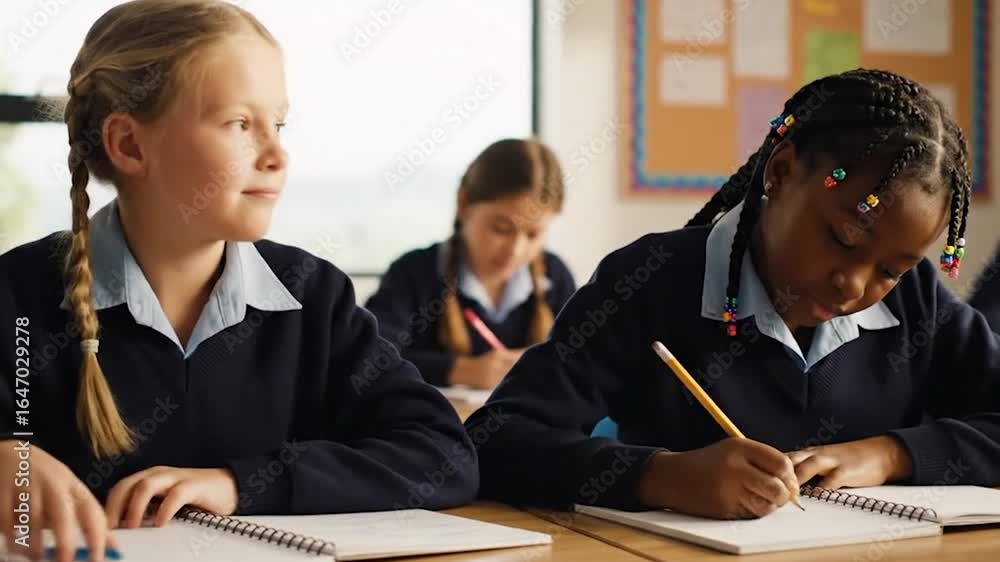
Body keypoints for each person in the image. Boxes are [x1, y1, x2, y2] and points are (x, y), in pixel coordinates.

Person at [0, 2, 476, 560]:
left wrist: (238, 483)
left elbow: (444, 455)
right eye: (239, 124)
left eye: (278, 124)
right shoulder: (18, 296)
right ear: (129, 145)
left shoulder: (313, 296)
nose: (277, 154)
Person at [466, 68, 1000, 520]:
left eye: (890, 269)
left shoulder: (916, 304)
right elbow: (497, 439)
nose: (855, 285)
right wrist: (660, 477)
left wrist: (892, 455)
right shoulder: (651, 281)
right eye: (841, 239)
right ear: (782, 171)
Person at [365, 138, 575, 390]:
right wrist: (461, 371)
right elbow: (371, 359)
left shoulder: (555, 276)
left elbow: (584, 364)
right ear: (462, 204)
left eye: (533, 235)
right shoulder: (412, 274)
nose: (515, 250)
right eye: (500, 228)